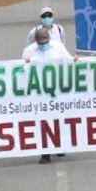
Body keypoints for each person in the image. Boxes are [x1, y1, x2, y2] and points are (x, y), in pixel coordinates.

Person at [22, 27, 74, 164]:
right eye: (41, 42)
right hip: (39, 93)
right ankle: (45, 154)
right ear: (36, 40)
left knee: (58, 120)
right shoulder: (29, 50)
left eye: (45, 42)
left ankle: (59, 146)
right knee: (43, 123)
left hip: (56, 92)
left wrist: (75, 60)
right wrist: (26, 63)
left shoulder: (58, 48)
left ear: (49, 39)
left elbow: (68, 62)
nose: (43, 45)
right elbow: (22, 69)